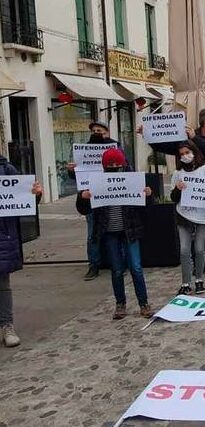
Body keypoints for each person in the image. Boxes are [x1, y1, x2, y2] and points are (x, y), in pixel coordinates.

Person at [149, 107, 205, 274]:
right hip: (196, 191)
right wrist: (149, 136)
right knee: (201, 225)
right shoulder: (190, 136)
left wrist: (196, 139)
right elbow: (171, 146)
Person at [76, 148, 155, 320]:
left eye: (117, 164)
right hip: (110, 232)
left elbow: (146, 208)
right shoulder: (97, 183)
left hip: (130, 230)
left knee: (136, 268)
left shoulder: (131, 181)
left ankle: (144, 303)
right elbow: (83, 209)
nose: (114, 167)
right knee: (117, 269)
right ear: (105, 166)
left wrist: (148, 195)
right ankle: (120, 304)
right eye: (110, 164)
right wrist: (83, 197)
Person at [67, 120, 122, 282]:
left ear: (107, 133)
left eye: (100, 130)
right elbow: (78, 176)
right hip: (92, 195)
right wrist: (72, 170)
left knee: (117, 231)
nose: (96, 133)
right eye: (94, 130)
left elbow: (125, 168)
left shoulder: (115, 148)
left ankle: (119, 263)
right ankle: (94, 265)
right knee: (92, 233)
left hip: (112, 194)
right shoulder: (83, 151)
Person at [0, 155, 42, 347]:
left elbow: (22, 198)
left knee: (2, 283)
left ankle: (7, 325)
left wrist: (35, 194)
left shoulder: (6, 169)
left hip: (3, 235)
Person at [170, 142, 205, 296]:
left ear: (194, 152)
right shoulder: (178, 173)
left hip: (202, 215)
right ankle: (186, 282)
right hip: (184, 215)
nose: (185, 156)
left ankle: (199, 279)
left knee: (199, 248)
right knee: (184, 250)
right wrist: (178, 189)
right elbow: (173, 198)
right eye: (181, 154)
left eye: (187, 152)